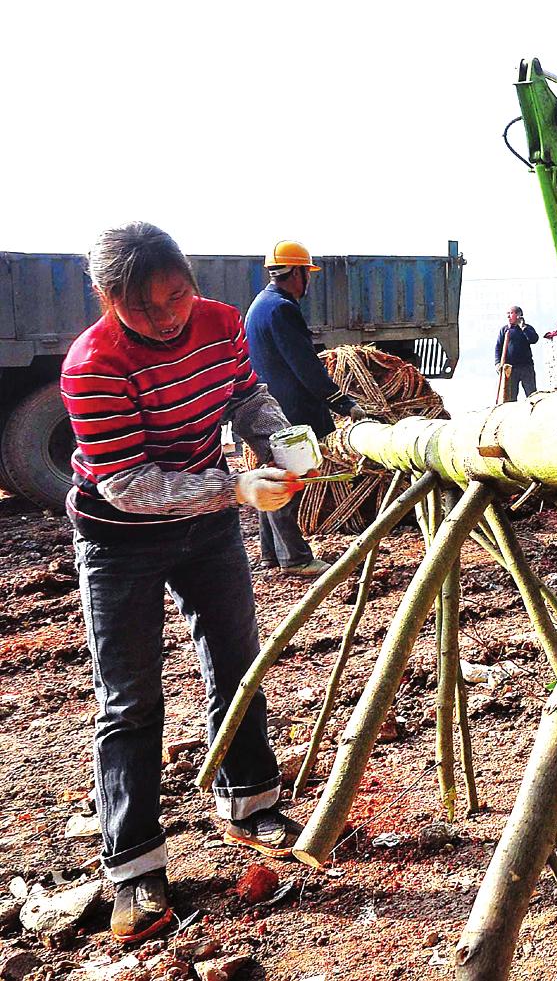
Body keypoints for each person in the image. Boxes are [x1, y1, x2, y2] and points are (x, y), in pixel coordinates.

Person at [62, 223, 309, 943]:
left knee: (238, 662)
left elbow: (245, 395)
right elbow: (129, 484)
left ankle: (251, 801)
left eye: (177, 293)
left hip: (206, 529)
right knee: (130, 698)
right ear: (110, 300)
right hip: (119, 538)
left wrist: (281, 435)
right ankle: (134, 864)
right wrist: (234, 487)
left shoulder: (222, 323)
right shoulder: (92, 365)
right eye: (145, 306)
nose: (168, 315)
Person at [244, 240, 366, 575]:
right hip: (289, 411)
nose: (308, 281)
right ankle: (295, 558)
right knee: (289, 481)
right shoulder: (282, 308)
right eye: (306, 273)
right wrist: (343, 403)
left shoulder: (261, 304)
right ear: (297, 273)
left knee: (275, 475)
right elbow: (305, 366)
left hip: (270, 407)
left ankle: (271, 554)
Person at [494, 306, 539, 402]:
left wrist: (523, 327)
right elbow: (498, 347)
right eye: (508, 314)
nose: (508, 316)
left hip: (526, 367)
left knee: (532, 395)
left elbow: (533, 339)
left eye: (511, 313)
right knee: (510, 397)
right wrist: (498, 363)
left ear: (518, 315)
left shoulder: (527, 328)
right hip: (510, 369)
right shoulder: (505, 330)